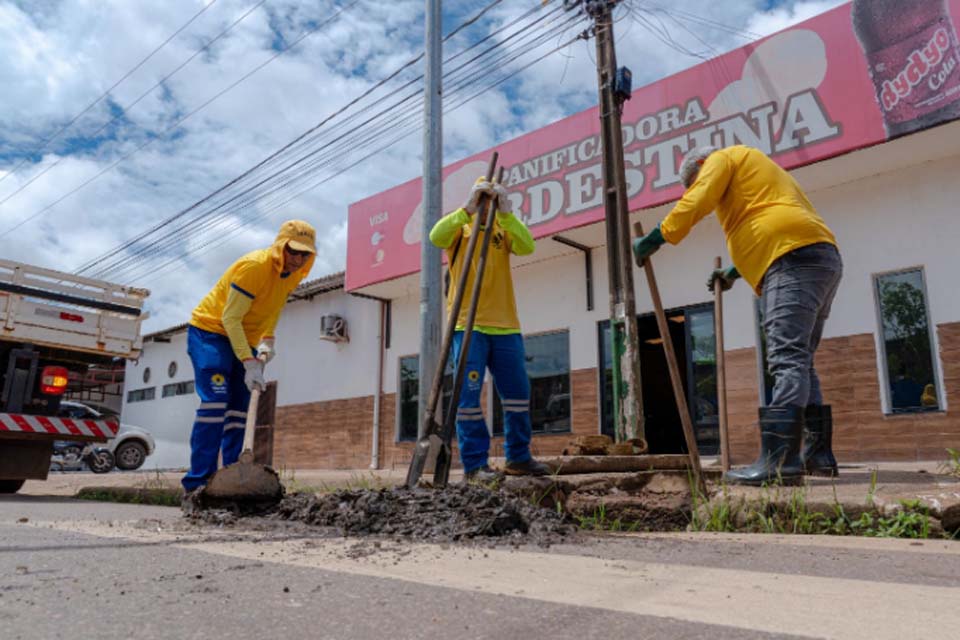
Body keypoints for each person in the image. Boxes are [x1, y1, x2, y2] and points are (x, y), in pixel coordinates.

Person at [633, 145, 843, 485]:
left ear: (701, 165)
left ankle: (779, 463)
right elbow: (766, 222)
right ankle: (817, 455)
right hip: (817, 257)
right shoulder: (755, 173)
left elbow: (698, 201)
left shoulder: (722, 159)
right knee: (801, 361)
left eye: (696, 181)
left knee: (787, 359)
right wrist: (733, 272)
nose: (702, 189)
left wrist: (655, 238)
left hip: (790, 259)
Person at [182, 220, 316, 493]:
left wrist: (268, 341)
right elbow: (230, 318)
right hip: (211, 332)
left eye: (305, 254)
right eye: (293, 251)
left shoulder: (292, 276)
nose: (297, 258)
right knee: (215, 405)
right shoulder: (255, 267)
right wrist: (248, 361)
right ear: (280, 247)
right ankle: (197, 485)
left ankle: (232, 481)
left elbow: (273, 310)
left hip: (245, 341)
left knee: (238, 413)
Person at [430, 179, 551, 482]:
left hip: (506, 327)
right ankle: (474, 466)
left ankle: (519, 458)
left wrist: (508, 213)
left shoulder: (502, 230)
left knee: (518, 395)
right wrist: (465, 209)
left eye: (491, 201)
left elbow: (527, 246)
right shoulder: (461, 229)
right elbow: (435, 236)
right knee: (468, 398)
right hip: (467, 326)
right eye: (482, 200)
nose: (486, 207)